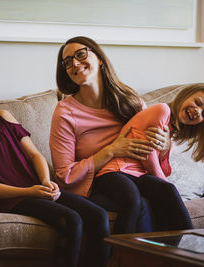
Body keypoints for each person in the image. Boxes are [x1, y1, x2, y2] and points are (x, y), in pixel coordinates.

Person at [0, 89, 110, 267]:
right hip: (15, 201)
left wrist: (46, 181)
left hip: (40, 188)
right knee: (73, 220)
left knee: (99, 215)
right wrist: (29, 191)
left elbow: (35, 155)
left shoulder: (4, 118)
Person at [50, 36, 192, 234]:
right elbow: (64, 175)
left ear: (99, 58)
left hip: (135, 173)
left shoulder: (130, 100)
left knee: (166, 191)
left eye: (81, 54)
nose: (74, 63)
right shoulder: (65, 112)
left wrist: (164, 144)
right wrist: (110, 151)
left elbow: (150, 154)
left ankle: (192, 251)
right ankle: (124, 256)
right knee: (136, 200)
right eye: (67, 62)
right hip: (95, 184)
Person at [98, 83, 204, 180]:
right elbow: (147, 155)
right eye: (197, 103)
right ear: (185, 96)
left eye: (203, 114)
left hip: (138, 175)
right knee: (156, 194)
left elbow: (163, 169)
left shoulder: (171, 132)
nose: (197, 111)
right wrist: (164, 182)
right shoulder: (163, 110)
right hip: (119, 169)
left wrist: (166, 148)